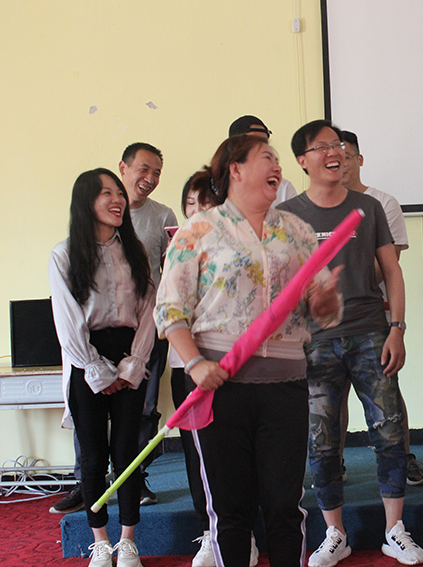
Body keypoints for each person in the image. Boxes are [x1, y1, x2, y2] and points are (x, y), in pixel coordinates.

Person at [155, 133, 343, 567]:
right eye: (267, 157)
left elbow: (323, 311)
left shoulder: (296, 230)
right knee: (230, 508)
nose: (277, 166)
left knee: (283, 504)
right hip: (219, 387)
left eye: (278, 159)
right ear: (235, 170)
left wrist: (326, 298)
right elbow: (169, 309)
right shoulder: (199, 229)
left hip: (286, 386)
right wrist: (195, 363)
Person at [278, 120, 423, 567]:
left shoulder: (368, 207)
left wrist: (397, 327)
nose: (334, 152)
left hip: (370, 333)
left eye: (338, 144)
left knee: (389, 430)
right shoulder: (287, 216)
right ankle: (335, 533)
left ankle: (394, 530)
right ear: (302, 160)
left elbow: (392, 271)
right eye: (322, 147)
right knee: (321, 440)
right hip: (314, 343)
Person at [49, 168, 155, 567]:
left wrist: (133, 365)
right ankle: (99, 541)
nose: (118, 200)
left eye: (119, 193)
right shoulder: (63, 254)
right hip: (85, 358)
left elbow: (149, 309)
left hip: (129, 354)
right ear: (85, 201)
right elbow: (67, 320)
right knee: (93, 456)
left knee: (127, 453)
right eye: (106, 193)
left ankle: (128, 541)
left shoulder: (136, 250)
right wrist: (96, 370)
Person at [169, 169, 260, 567]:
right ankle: (210, 531)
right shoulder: (179, 248)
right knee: (200, 458)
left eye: (205, 203)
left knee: (243, 455)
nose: (197, 211)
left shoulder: (241, 246)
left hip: (237, 367)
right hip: (189, 367)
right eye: (190, 204)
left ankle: (246, 533)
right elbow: (167, 310)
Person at [337, 129, 423, 487]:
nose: (340, 162)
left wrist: (344, 286)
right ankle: (335, 464)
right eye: (333, 156)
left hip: (374, 315)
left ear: (359, 159)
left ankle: (403, 459)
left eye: (347, 155)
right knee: (333, 395)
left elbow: (388, 263)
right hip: (327, 320)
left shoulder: (382, 203)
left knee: (386, 391)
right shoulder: (317, 207)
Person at [117, 142, 178, 506]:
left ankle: (135, 478)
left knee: (144, 407)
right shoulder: (102, 211)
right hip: (107, 327)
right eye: (144, 169)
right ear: (123, 168)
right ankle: (87, 481)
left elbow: (174, 270)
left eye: (156, 172)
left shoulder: (163, 215)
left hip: (150, 327)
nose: (150, 178)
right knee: (93, 407)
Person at [229, 115, 298, 206]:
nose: (262, 149)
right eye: (254, 144)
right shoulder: (215, 190)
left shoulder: (284, 188)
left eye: (264, 143)